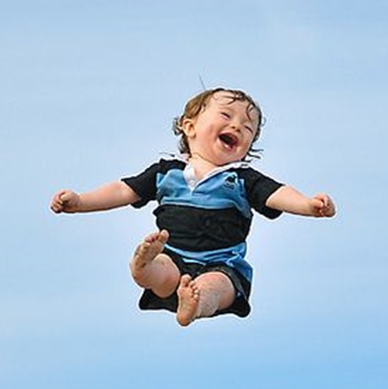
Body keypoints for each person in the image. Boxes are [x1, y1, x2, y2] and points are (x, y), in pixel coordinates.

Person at [50, 87, 335, 327]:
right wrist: (80, 202)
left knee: (216, 286)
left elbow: (277, 193)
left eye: (248, 128)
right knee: (161, 271)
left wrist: (308, 205)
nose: (237, 126)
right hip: (173, 256)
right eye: (226, 115)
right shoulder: (166, 171)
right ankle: (143, 266)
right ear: (190, 127)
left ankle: (194, 305)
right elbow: (123, 190)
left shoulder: (241, 179)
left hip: (223, 264)